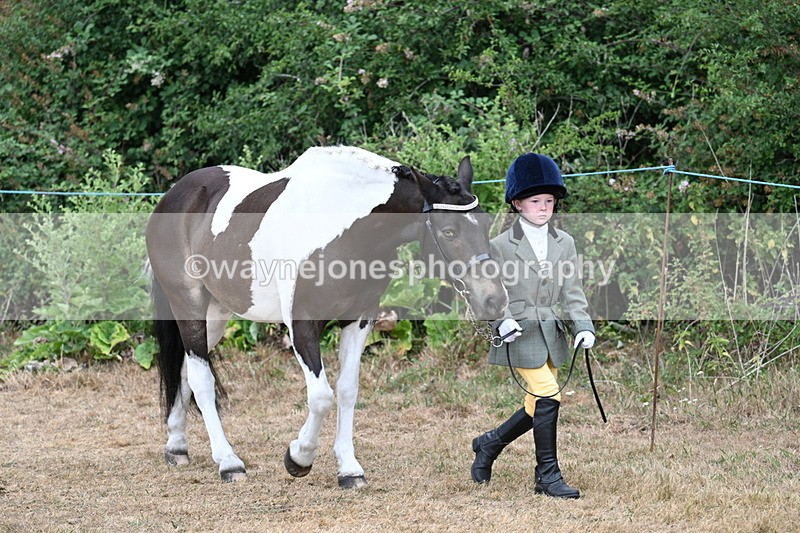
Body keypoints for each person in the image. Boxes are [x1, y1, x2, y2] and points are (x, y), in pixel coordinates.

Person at [471, 152, 595, 499]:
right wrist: (501, 322)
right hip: (520, 332)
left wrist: (583, 326)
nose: (544, 208)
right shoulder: (499, 246)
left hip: (551, 332)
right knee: (548, 394)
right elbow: (488, 292)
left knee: (535, 404)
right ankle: (547, 476)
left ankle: (489, 444)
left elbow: (572, 291)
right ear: (517, 203)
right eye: (536, 201)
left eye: (549, 201)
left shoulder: (564, 242)